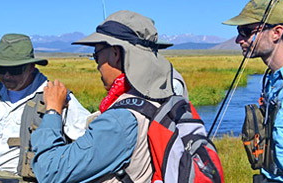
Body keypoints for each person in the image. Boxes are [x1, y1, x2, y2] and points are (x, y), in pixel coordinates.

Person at [30, 10, 176, 182]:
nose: (97, 64)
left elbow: (49, 172)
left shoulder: (119, 121)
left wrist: (53, 111)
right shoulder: (163, 95)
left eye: (96, 54)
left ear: (115, 54)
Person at [0, 33, 91, 182]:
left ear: (31, 67)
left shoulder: (55, 96)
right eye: (0, 68)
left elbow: (90, 142)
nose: (6, 76)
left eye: (15, 70)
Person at [223, 0, 283, 182]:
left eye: (246, 32)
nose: (238, 39)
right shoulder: (273, 80)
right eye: (238, 32)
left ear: (276, 33)